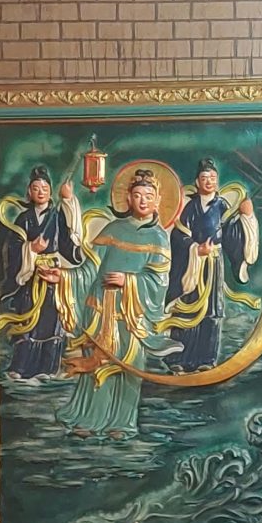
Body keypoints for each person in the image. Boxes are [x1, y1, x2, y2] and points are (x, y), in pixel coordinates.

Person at [61, 168, 173, 440]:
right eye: (137, 195)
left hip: (132, 315)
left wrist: (129, 281)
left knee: (128, 368)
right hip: (101, 311)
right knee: (97, 365)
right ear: (128, 199)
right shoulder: (113, 229)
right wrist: (63, 276)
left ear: (158, 200)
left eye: (149, 196)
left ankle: (122, 424)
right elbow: (90, 269)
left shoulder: (158, 238)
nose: (143, 201)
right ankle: (89, 418)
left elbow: (159, 280)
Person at [162, 158, 257, 373]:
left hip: (213, 265)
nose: (209, 182)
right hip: (191, 266)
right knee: (185, 309)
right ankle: (178, 357)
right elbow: (178, 236)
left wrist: (247, 216)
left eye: (213, 178)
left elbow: (233, 235)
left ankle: (207, 359)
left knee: (212, 311)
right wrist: (195, 248)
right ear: (197, 182)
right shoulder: (190, 207)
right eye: (205, 178)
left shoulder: (222, 206)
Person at [0, 165, 79, 381]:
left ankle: (48, 368)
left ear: (51, 192)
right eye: (35, 188)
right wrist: (30, 249)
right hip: (29, 275)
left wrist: (69, 201)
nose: (40, 192)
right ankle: (21, 368)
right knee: (27, 321)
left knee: (52, 321)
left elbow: (69, 239)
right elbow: (11, 247)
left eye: (44, 188)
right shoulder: (23, 219)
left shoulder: (57, 216)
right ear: (29, 192)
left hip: (51, 275)